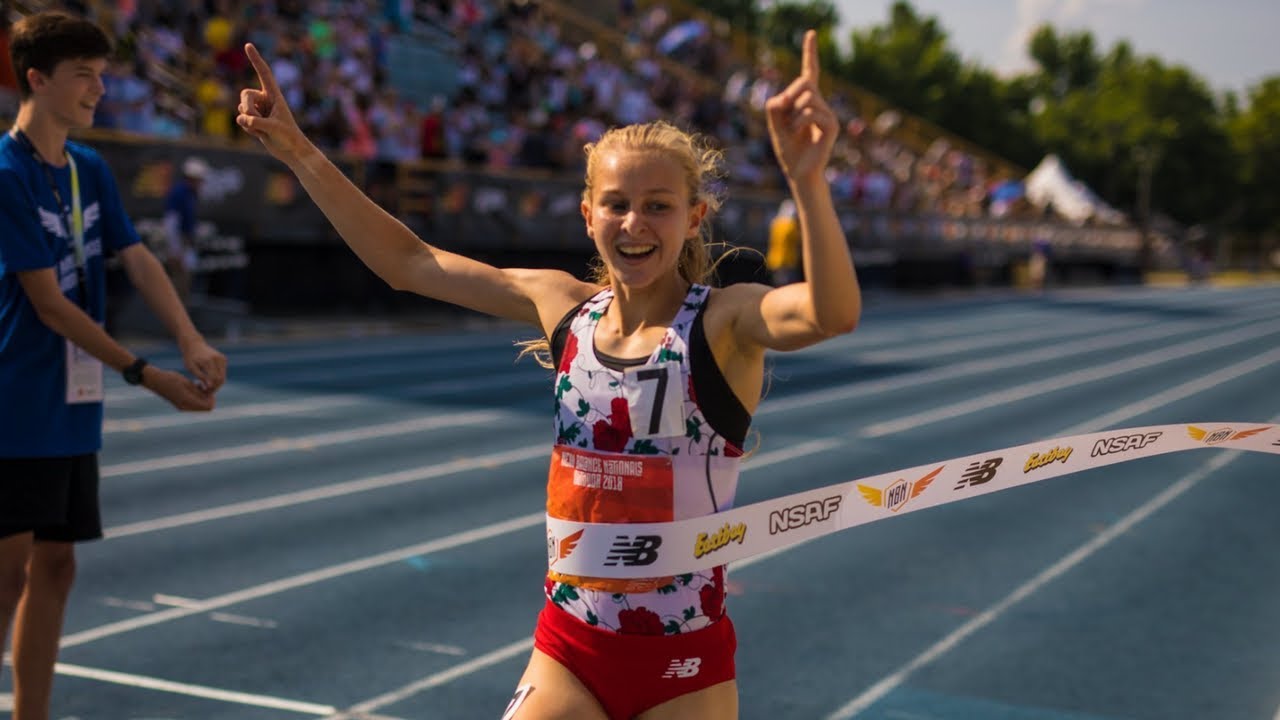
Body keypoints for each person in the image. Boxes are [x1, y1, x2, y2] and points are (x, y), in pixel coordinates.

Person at [237, 28, 857, 719]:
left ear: (695, 217)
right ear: (588, 214)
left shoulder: (724, 321)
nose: (634, 223)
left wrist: (807, 181)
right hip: (570, 649)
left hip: (685, 666)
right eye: (617, 204)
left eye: (658, 205)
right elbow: (406, 264)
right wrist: (298, 151)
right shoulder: (563, 308)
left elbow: (831, 314)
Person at [0, 12, 227, 718]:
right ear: (36, 80)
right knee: (5, 575)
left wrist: (189, 338)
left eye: (103, 74)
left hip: (72, 402)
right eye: (83, 75)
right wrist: (147, 374)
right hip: (15, 401)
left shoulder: (87, 168)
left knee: (57, 566)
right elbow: (49, 306)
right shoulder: (6, 173)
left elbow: (136, 256)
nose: (100, 89)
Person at [162, 155, 209, 304]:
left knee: (185, 281)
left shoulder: (190, 194)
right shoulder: (179, 193)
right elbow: (171, 222)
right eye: (200, 179)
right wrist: (175, 249)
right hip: (179, 243)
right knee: (178, 282)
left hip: (186, 242)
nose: (201, 182)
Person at [765, 198, 801, 286]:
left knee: (776, 284)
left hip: (774, 258)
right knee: (785, 285)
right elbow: (798, 239)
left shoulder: (776, 222)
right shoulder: (791, 225)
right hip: (787, 260)